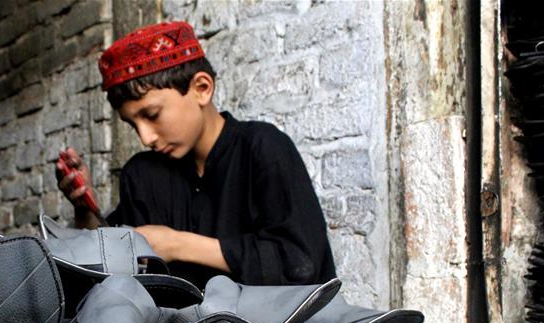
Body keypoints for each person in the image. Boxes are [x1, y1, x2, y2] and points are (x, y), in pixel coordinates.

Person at [56, 21, 336, 289]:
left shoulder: (263, 148)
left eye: (152, 115)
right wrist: (84, 208)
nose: (146, 137)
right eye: (132, 124)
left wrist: (178, 244)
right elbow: (107, 274)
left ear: (202, 89)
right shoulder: (142, 175)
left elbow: (300, 265)